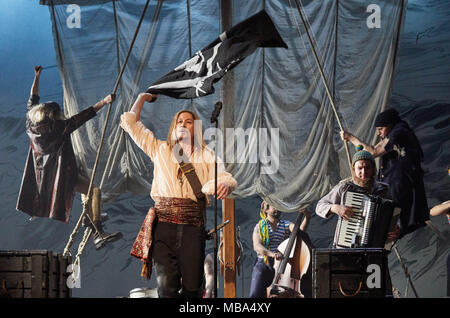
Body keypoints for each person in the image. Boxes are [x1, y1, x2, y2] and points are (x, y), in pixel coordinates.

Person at [121, 92, 237, 298]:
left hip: (192, 226)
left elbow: (225, 176)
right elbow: (131, 123)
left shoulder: (207, 155)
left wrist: (223, 185)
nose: (183, 124)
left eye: (189, 122)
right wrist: (141, 98)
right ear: (174, 127)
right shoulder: (160, 149)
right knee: (166, 287)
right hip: (163, 226)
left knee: (193, 288)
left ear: (196, 128)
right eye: (179, 121)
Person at [16, 65, 122, 250]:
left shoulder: (30, 123)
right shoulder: (58, 128)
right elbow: (82, 117)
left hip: (47, 177)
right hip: (62, 175)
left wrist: (37, 77)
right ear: (53, 117)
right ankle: (98, 232)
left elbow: (33, 98)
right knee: (94, 191)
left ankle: (89, 217)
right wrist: (104, 102)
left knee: (86, 182)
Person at [340, 108, 429, 238]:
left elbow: (374, 152)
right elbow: (376, 149)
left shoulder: (399, 132)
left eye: (381, 129)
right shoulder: (396, 131)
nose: (379, 133)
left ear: (390, 125)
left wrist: (351, 138)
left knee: (392, 222)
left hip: (401, 184)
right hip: (394, 184)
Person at [316, 146, 400, 245]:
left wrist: (396, 230)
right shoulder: (345, 188)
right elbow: (320, 206)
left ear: (373, 169)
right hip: (347, 248)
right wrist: (335, 208)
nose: (363, 172)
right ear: (353, 169)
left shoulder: (384, 190)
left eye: (367, 167)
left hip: (375, 248)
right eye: (360, 168)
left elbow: (394, 217)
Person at [249, 201, 312, 298]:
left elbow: (299, 232)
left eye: (278, 206)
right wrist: (272, 254)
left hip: (281, 262)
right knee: (256, 291)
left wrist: (307, 217)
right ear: (266, 210)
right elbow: (257, 246)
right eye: (274, 206)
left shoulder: (285, 224)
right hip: (264, 262)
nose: (277, 208)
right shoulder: (260, 226)